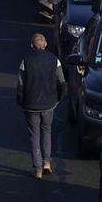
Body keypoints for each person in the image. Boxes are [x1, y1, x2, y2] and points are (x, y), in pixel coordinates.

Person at [17, 33, 66, 178]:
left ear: (32, 45)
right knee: (46, 131)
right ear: (45, 44)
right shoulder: (54, 60)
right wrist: (58, 98)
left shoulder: (26, 60)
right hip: (49, 103)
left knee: (34, 134)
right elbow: (62, 82)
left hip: (30, 104)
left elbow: (20, 84)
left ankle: (37, 168)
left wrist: (20, 100)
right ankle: (46, 162)